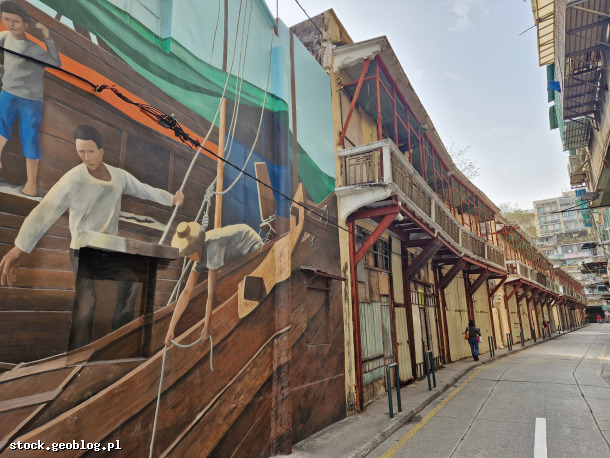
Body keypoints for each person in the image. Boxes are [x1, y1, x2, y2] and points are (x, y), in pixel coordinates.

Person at [0, 125, 184, 349]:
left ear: (101, 151)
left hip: (108, 249)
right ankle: (77, 351)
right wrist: (20, 248)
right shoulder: (73, 179)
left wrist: (171, 199)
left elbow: (144, 189)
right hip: (82, 250)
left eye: (90, 151)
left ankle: (119, 342)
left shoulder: (118, 177)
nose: (86, 157)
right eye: (81, 152)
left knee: (130, 283)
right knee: (87, 302)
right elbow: (46, 210)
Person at [164, 221, 263, 346]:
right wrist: (171, 328)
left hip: (251, 243)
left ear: (196, 247)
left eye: (189, 253)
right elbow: (187, 292)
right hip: (235, 250)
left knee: (249, 286)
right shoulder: (199, 253)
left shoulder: (212, 249)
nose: (188, 257)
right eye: (186, 253)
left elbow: (211, 295)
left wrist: (206, 327)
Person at [0, 1, 62, 196]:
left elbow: (56, 62)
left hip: (30, 100)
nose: (11, 24)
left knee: (30, 138)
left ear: (25, 25)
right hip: (8, 93)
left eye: (16, 21)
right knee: (1, 128)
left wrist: (47, 37)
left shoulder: (34, 49)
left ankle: (31, 184)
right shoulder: (4, 37)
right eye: (6, 19)